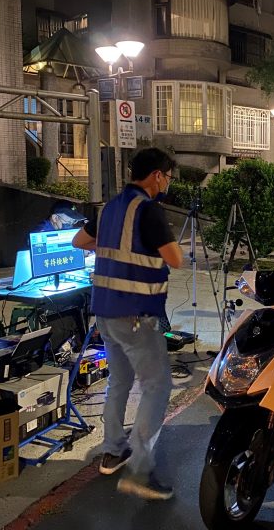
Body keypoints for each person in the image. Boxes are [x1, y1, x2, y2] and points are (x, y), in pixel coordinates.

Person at [72, 147, 182, 500]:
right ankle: (140, 471)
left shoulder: (109, 209)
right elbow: (175, 258)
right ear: (156, 176)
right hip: (136, 315)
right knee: (157, 386)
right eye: (167, 177)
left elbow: (79, 240)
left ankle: (113, 450)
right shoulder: (149, 210)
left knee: (119, 381)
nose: (167, 183)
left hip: (104, 312)